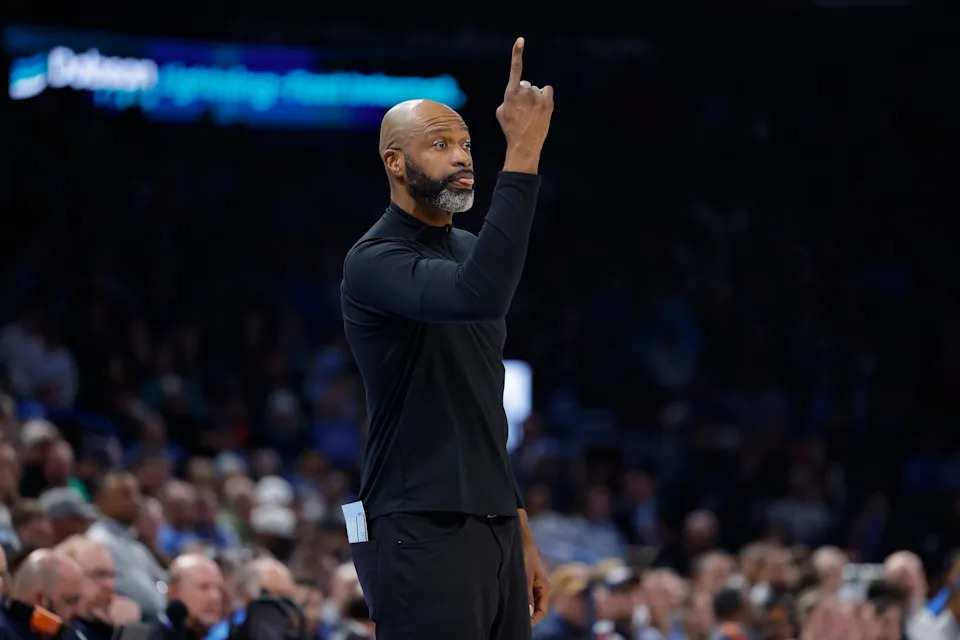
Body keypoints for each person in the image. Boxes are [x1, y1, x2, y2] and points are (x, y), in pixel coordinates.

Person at [340, 36, 554, 639]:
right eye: (440, 145)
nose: (462, 157)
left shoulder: (465, 251)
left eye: (465, 144)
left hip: (491, 524)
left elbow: (479, 404)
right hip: (419, 523)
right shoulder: (374, 258)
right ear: (394, 162)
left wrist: (516, 524)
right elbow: (477, 296)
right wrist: (525, 150)